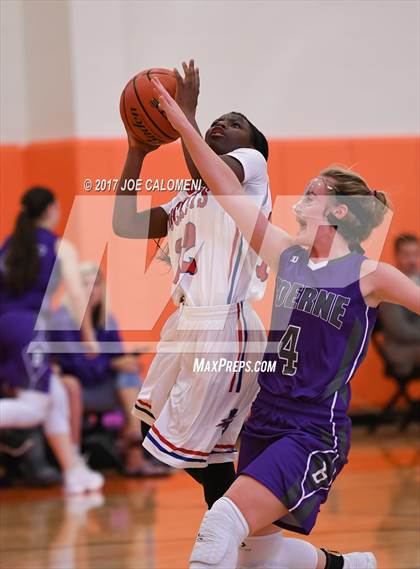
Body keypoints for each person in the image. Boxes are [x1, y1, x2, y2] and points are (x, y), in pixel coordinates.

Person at [152, 78, 420, 569]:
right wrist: (179, 120)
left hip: (313, 430)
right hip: (265, 419)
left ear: (339, 212)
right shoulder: (288, 255)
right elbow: (227, 186)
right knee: (259, 554)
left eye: (312, 196)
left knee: (221, 526)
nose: (298, 202)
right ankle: (348, 566)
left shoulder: (370, 275)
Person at [113, 60, 271, 508]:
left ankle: (243, 530)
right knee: (152, 426)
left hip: (225, 328)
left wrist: (187, 111)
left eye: (235, 124)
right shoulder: (189, 194)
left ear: (252, 146)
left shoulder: (252, 168)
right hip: (185, 325)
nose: (223, 123)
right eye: (219, 119)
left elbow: (209, 171)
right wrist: (136, 151)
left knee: (208, 460)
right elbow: (125, 224)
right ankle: (246, 530)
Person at [0, 187, 104, 494]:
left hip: (5, 327)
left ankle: (73, 472)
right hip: (25, 329)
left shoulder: (9, 246)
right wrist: (88, 337)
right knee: (34, 407)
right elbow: (75, 294)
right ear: (51, 210)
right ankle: (73, 470)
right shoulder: (60, 246)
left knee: (56, 394)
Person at [50, 261, 170, 476]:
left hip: (104, 385)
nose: (90, 289)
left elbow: (117, 355)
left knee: (130, 373)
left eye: (95, 284)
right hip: (77, 389)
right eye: (83, 284)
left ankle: (135, 443)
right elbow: (79, 367)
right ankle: (138, 449)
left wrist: (126, 360)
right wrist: (113, 363)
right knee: (127, 378)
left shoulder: (108, 319)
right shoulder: (63, 319)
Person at [377, 234, 420, 377]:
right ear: (397, 255)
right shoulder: (390, 286)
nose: (412, 260)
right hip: (401, 350)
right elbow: (400, 330)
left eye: (416, 254)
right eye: (406, 255)